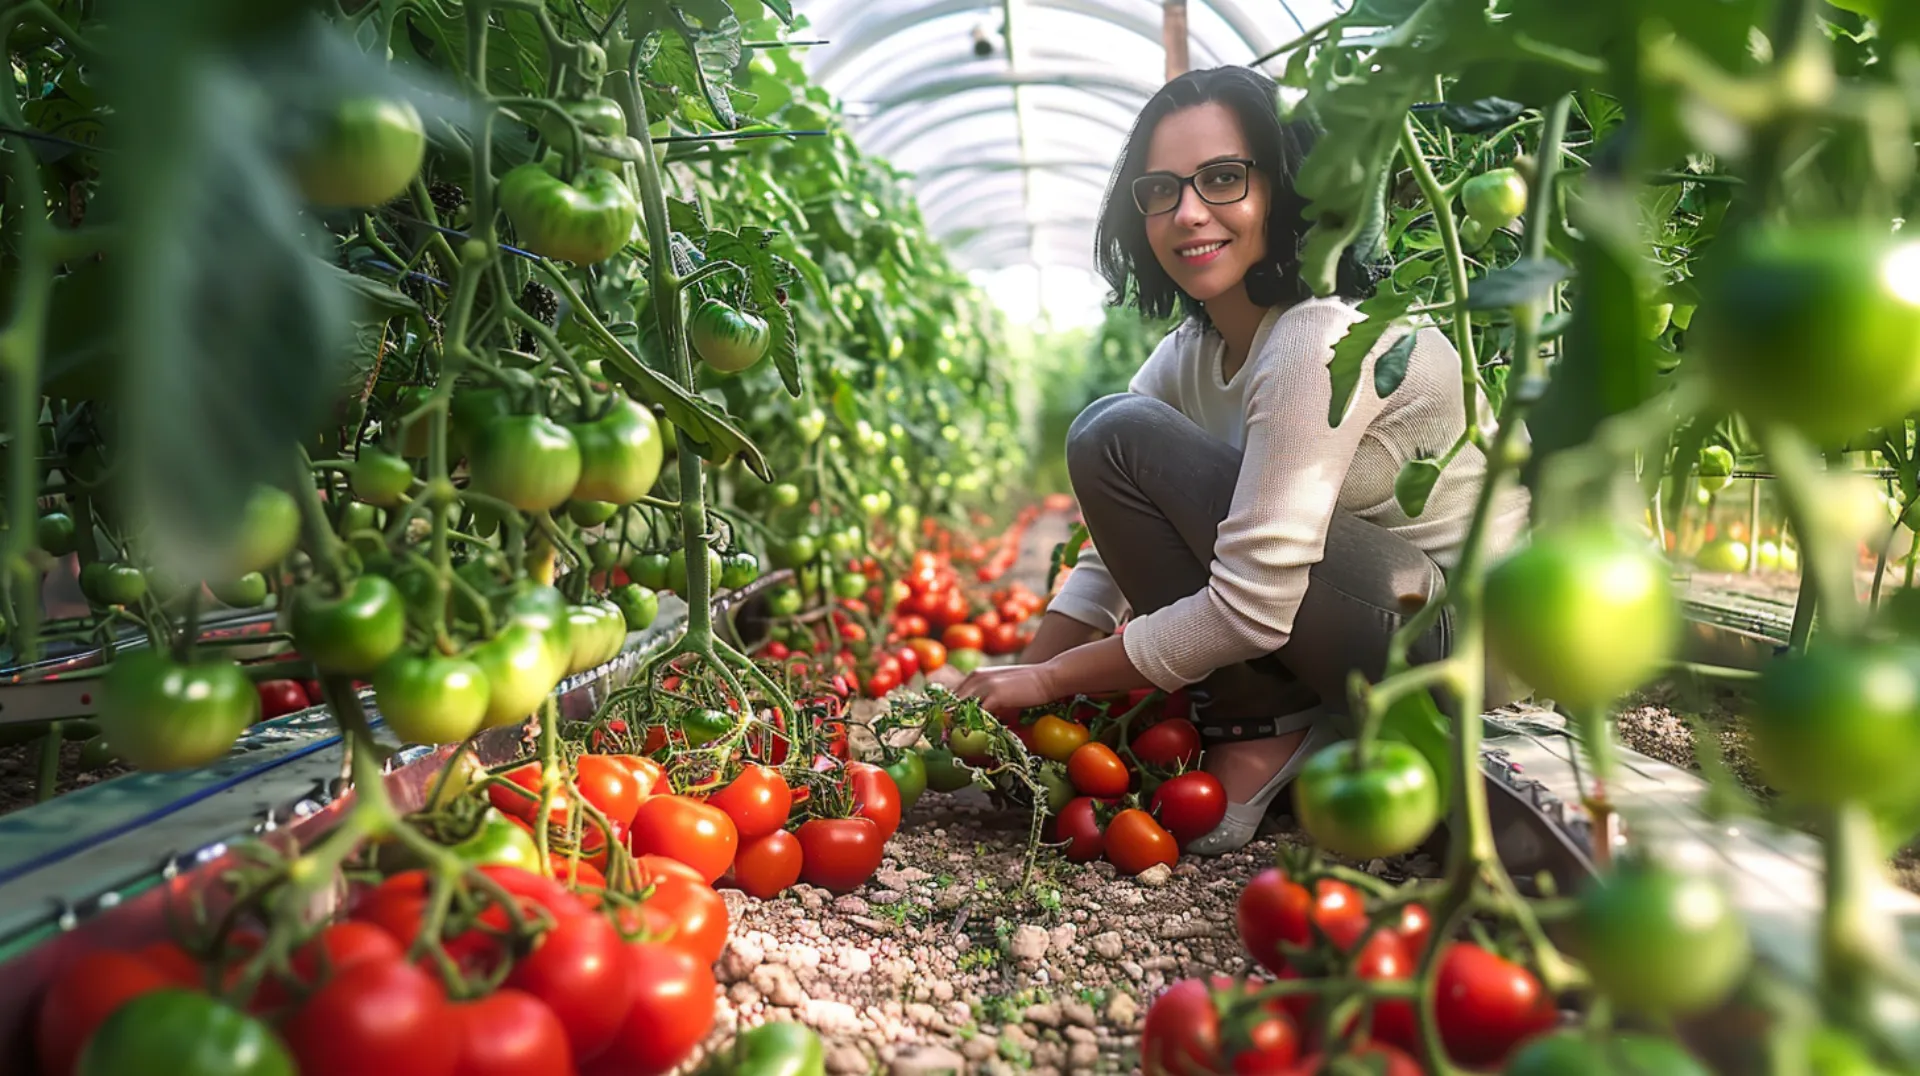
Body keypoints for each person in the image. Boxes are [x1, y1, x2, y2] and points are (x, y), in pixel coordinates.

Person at [951, 66, 1530, 854]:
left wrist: (1053, 683)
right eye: (1160, 189)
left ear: (1287, 186)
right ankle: (1295, 719)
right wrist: (1004, 701)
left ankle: (1264, 727)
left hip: (1461, 653)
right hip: (1356, 623)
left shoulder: (1317, 335)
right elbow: (1107, 555)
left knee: (1114, 432)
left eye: (1223, 179)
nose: (1187, 213)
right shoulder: (1188, 356)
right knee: (1114, 437)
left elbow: (1254, 605)